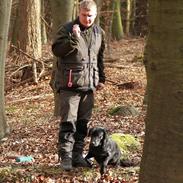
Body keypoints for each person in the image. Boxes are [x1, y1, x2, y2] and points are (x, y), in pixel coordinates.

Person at [51, 0, 105, 171]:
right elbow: (57, 50)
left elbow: (99, 58)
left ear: (95, 15)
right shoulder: (67, 29)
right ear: (79, 13)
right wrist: (73, 39)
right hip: (69, 85)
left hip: (89, 87)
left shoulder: (99, 32)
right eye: (84, 15)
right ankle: (65, 158)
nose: (87, 19)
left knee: (82, 124)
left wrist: (101, 79)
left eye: (90, 16)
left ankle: (77, 156)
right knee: (68, 123)